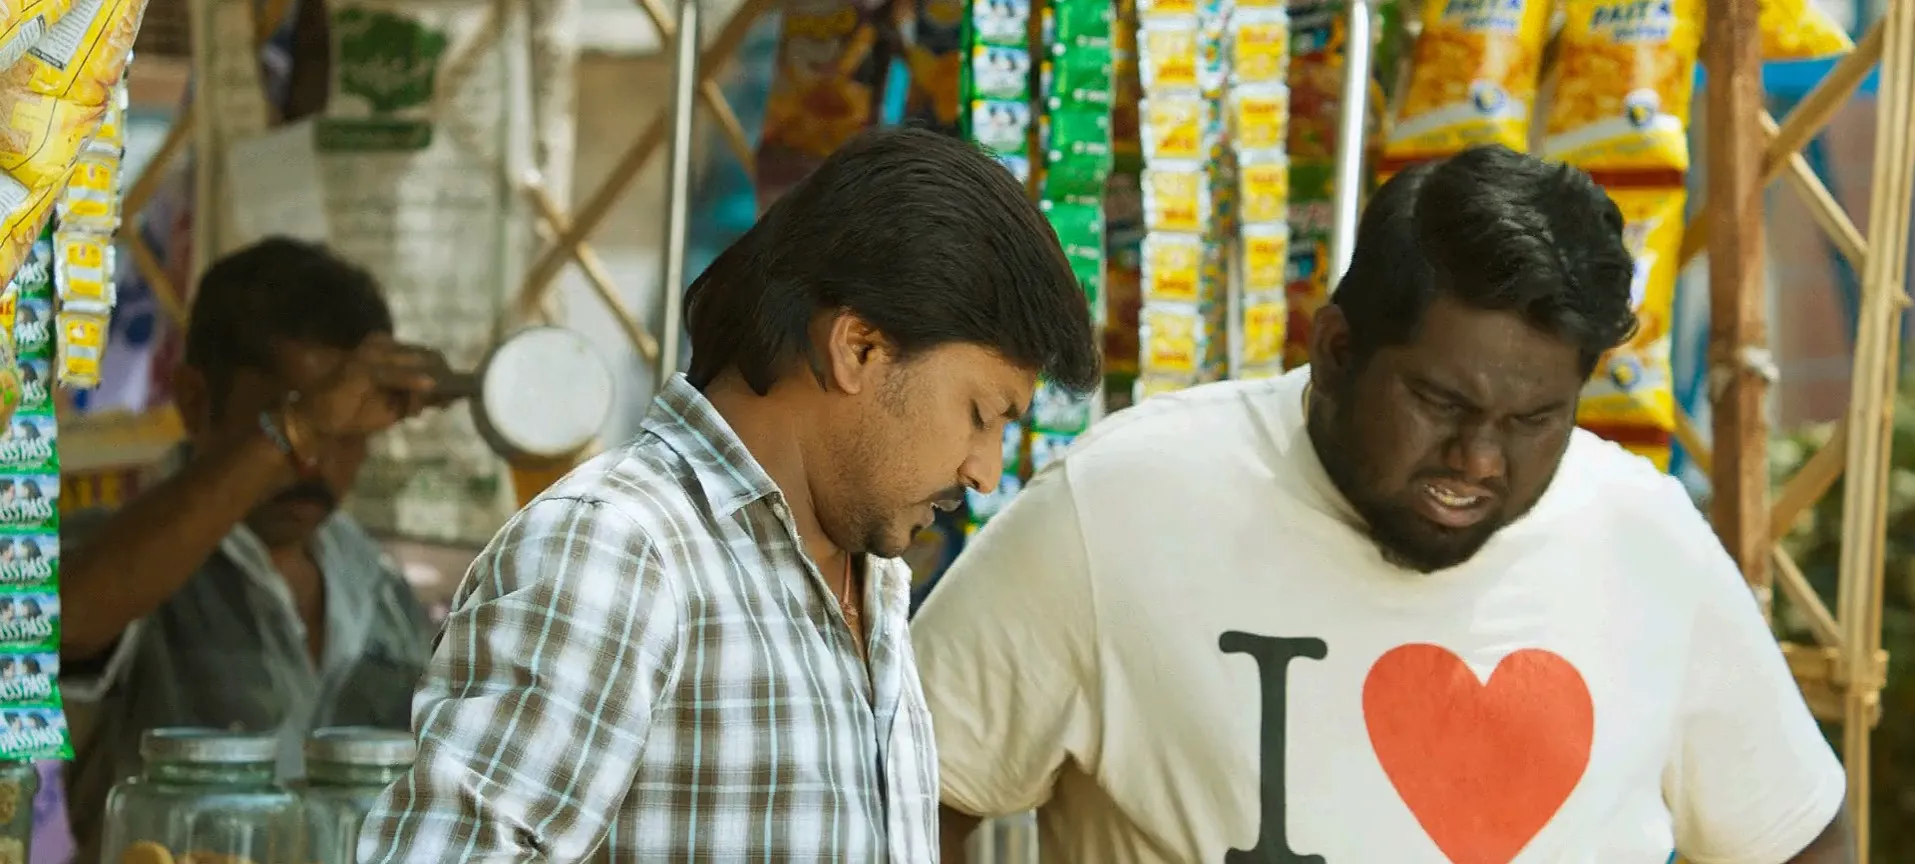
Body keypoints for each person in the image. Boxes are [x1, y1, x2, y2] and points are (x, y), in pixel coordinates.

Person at [913, 146, 1851, 863]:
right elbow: (910, 797)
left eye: (1534, 419)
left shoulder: (1643, 539)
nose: (1478, 459)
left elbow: (1796, 834)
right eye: (1439, 402)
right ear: (1334, 350)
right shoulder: (1119, 507)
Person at [358, 126, 1101, 862]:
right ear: (859, 349)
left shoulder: (867, 579)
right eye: (980, 415)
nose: (983, 471)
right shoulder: (617, 550)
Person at [58, 238, 443, 860]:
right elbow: (63, 622)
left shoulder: (380, 587)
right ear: (194, 402)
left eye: (347, 429)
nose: (314, 461)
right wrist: (296, 430)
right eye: (296, 418)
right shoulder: (119, 555)